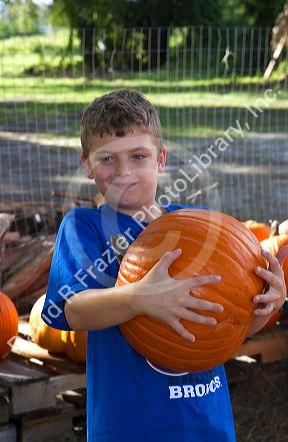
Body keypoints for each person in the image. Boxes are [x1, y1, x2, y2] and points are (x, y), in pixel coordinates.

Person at [41, 88, 286, 442]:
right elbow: (72, 310)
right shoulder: (84, 229)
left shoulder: (199, 229)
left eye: (138, 156)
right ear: (88, 165)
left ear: (160, 160)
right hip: (129, 428)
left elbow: (231, 324)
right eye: (107, 159)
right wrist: (138, 298)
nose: (123, 172)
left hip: (207, 425)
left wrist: (267, 305)